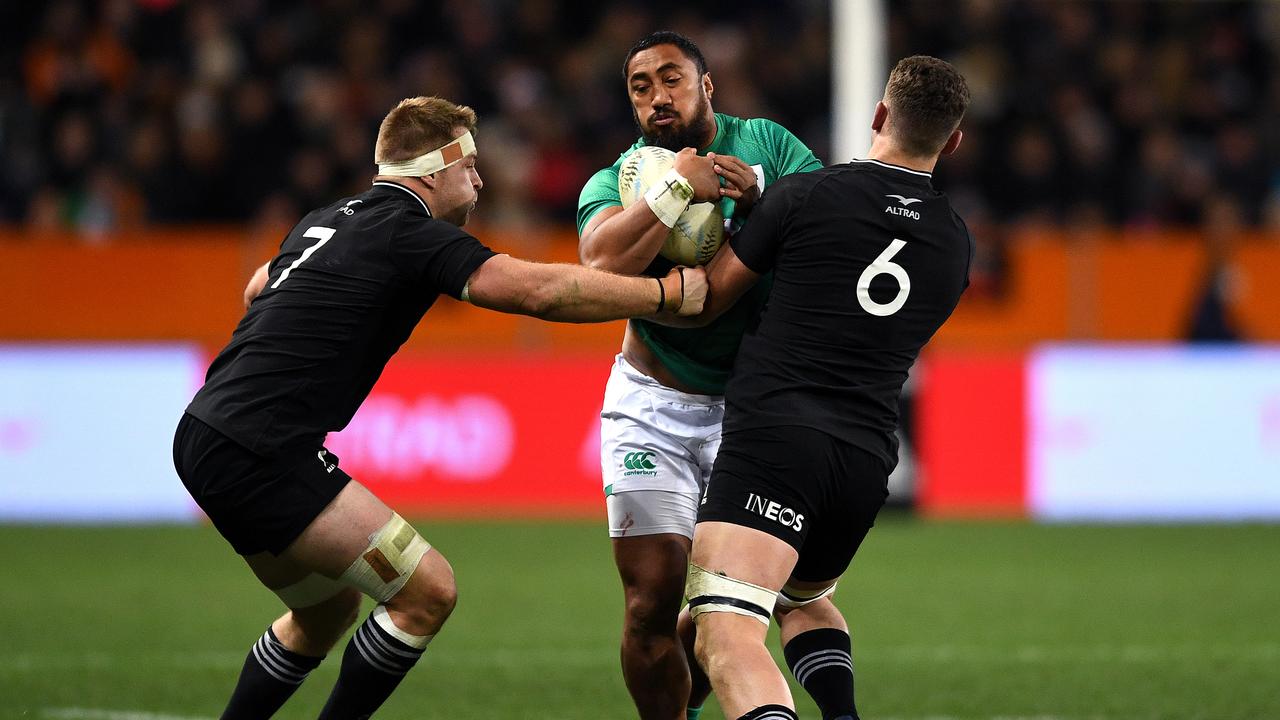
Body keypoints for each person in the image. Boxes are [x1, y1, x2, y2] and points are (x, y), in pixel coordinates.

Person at [172, 95, 707, 720]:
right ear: (432, 171)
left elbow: (257, 285)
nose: (480, 181)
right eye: (470, 166)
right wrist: (665, 293)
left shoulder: (326, 218)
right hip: (260, 447)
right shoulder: (410, 233)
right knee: (427, 592)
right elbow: (542, 292)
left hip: (204, 429)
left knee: (326, 611)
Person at [671, 56, 973, 720]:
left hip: (778, 439)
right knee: (799, 598)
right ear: (952, 140)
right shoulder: (955, 243)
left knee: (725, 634)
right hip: (866, 463)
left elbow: (713, 297)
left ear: (878, 115)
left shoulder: (805, 195)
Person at [575, 31, 823, 720]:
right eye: (640, 86)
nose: (658, 95)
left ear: (707, 86)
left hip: (754, 413)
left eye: (672, 78)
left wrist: (765, 195)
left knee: (743, 600)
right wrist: (676, 189)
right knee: (651, 599)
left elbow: (831, 226)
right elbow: (599, 264)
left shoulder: (769, 145)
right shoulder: (616, 180)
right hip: (654, 405)